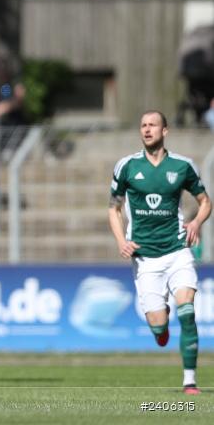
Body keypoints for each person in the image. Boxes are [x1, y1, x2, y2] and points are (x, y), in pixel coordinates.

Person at [108, 110, 210, 395]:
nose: (147, 129)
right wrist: (121, 242)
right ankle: (160, 321)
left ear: (165, 131)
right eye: (143, 125)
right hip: (144, 256)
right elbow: (113, 209)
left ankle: (189, 381)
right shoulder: (126, 167)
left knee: (187, 310)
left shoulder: (182, 166)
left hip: (177, 250)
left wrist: (196, 222)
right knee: (158, 329)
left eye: (153, 125)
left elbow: (205, 201)